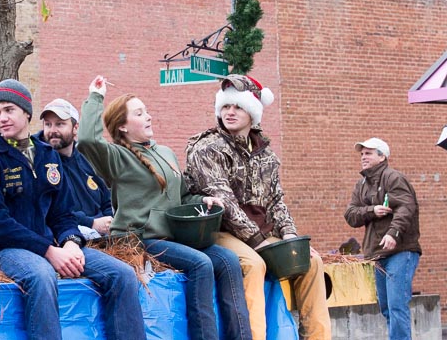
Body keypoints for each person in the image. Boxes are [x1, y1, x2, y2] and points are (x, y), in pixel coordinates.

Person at [0, 79, 146, 340]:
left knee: (122, 274)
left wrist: (70, 243)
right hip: (5, 249)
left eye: (9, 109)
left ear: (26, 112)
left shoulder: (48, 155)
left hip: (53, 244)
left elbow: (62, 213)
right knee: (42, 275)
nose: (2, 118)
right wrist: (48, 251)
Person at [77, 75, 252, 340]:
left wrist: (201, 201)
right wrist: (96, 97)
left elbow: (179, 200)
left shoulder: (166, 152)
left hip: (173, 236)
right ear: (123, 127)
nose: (148, 116)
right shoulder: (117, 157)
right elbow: (87, 141)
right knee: (201, 263)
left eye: (146, 111)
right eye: (139, 113)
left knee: (228, 261)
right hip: (141, 239)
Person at [184, 74, 331, 340]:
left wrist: (289, 237)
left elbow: (276, 200)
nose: (230, 112)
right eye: (226, 106)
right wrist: (258, 242)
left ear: (252, 111)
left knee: (311, 260)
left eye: (238, 107)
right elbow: (225, 203)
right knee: (253, 264)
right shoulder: (207, 148)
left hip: (261, 231)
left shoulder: (266, 154)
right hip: (219, 229)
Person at [345, 138, 421, 340]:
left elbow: (406, 208)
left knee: (397, 305)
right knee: (386, 307)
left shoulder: (393, 178)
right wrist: (372, 210)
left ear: (382, 156)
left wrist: (393, 233)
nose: (363, 157)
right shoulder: (361, 185)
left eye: (368, 153)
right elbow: (350, 215)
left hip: (400, 251)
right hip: (376, 254)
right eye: (362, 154)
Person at [35, 98, 113, 240]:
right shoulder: (37, 161)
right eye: (48, 124)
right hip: (69, 235)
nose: (53, 131)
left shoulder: (86, 158)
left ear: (75, 128)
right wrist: (91, 223)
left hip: (105, 235)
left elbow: (106, 199)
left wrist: (111, 221)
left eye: (60, 124)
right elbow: (48, 210)